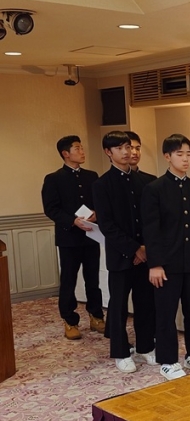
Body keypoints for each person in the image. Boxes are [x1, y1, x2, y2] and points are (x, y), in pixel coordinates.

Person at [141, 134, 190, 381]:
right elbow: (151, 230)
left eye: (189, 154)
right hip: (166, 263)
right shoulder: (154, 189)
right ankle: (168, 360)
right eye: (180, 154)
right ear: (167, 157)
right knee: (166, 313)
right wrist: (155, 264)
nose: (185, 159)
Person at [92, 131, 157, 374]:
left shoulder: (145, 182)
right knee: (118, 305)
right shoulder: (101, 184)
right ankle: (120, 352)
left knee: (145, 303)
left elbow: (151, 219)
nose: (127, 152)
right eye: (120, 148)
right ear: (108, 152)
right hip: (121, 255)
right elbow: (107, 225)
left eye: (128, 147)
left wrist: (145, 247)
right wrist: (134, 249)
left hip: (145, 255)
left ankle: (145, 346)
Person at [41, 135, 106, 340]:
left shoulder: (91, 176)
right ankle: (70, 320)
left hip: (91, 236)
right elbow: (51, 208)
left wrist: (96, 213)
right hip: (69, 238)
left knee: (93, 279)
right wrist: (72, 221)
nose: (82, 151)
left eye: (82, 147)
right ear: (65, 153)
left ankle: (96, 316)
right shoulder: (53, 179)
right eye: (77, 148)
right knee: (69, 280)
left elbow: (100, 201)